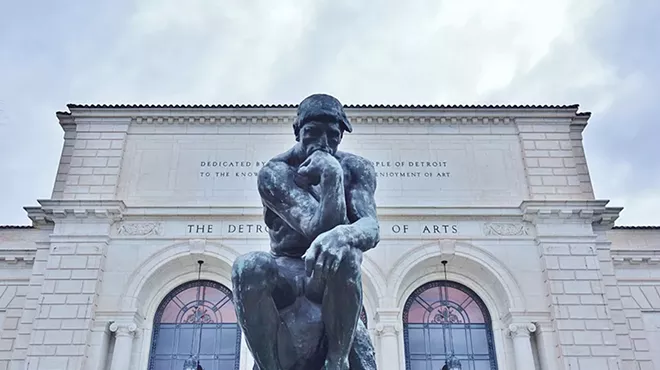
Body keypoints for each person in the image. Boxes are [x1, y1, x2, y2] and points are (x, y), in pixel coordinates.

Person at [232, 94, 380, 370]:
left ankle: (337, 361)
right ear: (298, 131)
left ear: (341, 137)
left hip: (326, 281)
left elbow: (371, 227)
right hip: (285, 277)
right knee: (248, 266)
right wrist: (331, 176)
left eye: (332, 136)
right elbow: (316, 229)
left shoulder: (358, 168)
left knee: (344, 255)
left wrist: (343, 235)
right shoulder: (275, 173)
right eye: (312, 133)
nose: (322, 144)